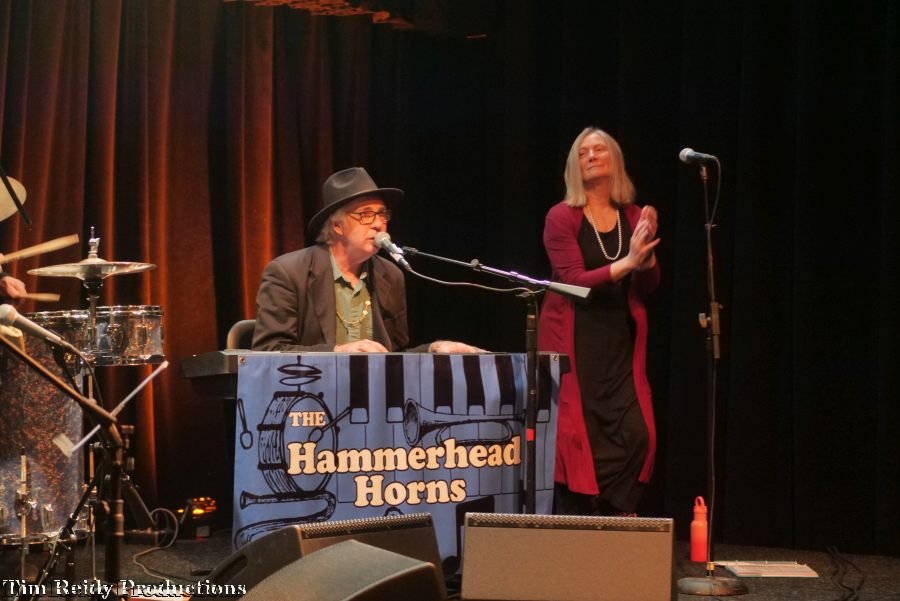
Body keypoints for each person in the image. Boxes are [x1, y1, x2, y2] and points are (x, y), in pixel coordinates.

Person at [538, 127, 660, 516]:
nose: (591, 156)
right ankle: (583, 520)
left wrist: (647, 258)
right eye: (582, 152)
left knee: (638, 435)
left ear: (614, 160)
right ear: (575, 167)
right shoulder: (561, 216)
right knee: (579, 439)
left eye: (599, 149)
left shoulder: (633, 216)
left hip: (618, 342)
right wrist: (629, 261)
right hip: (574, 340)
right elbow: (572, 281)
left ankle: (613, 512)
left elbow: (649, 285)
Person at [252, 167, 481, 354]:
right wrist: (337, 352)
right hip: (310, 393)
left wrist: (433, 349)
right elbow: (269, 351)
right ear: (337, 226)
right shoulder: (287, 273)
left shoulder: (390, 275)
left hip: (374, 394)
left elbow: (395, 356)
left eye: (382, 214)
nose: (378, 224)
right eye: (366, 214)